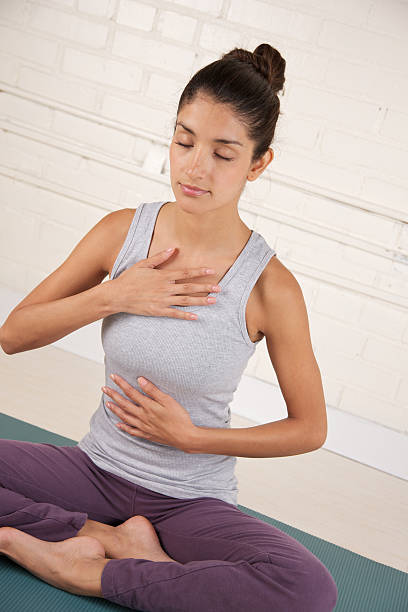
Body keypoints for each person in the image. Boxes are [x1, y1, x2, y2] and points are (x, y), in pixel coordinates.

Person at [0, 44, 338, 611]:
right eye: (184, 141)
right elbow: (14, 334)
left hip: (189, 500)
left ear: (258, 164)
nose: (194, 167)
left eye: (223, 154)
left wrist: (194, 439)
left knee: (307, 589)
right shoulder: (121, 233)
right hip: (94, 468)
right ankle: (106, 539)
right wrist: (115, 293)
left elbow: (310, 428)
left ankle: (87, 571)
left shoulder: (270, 287)